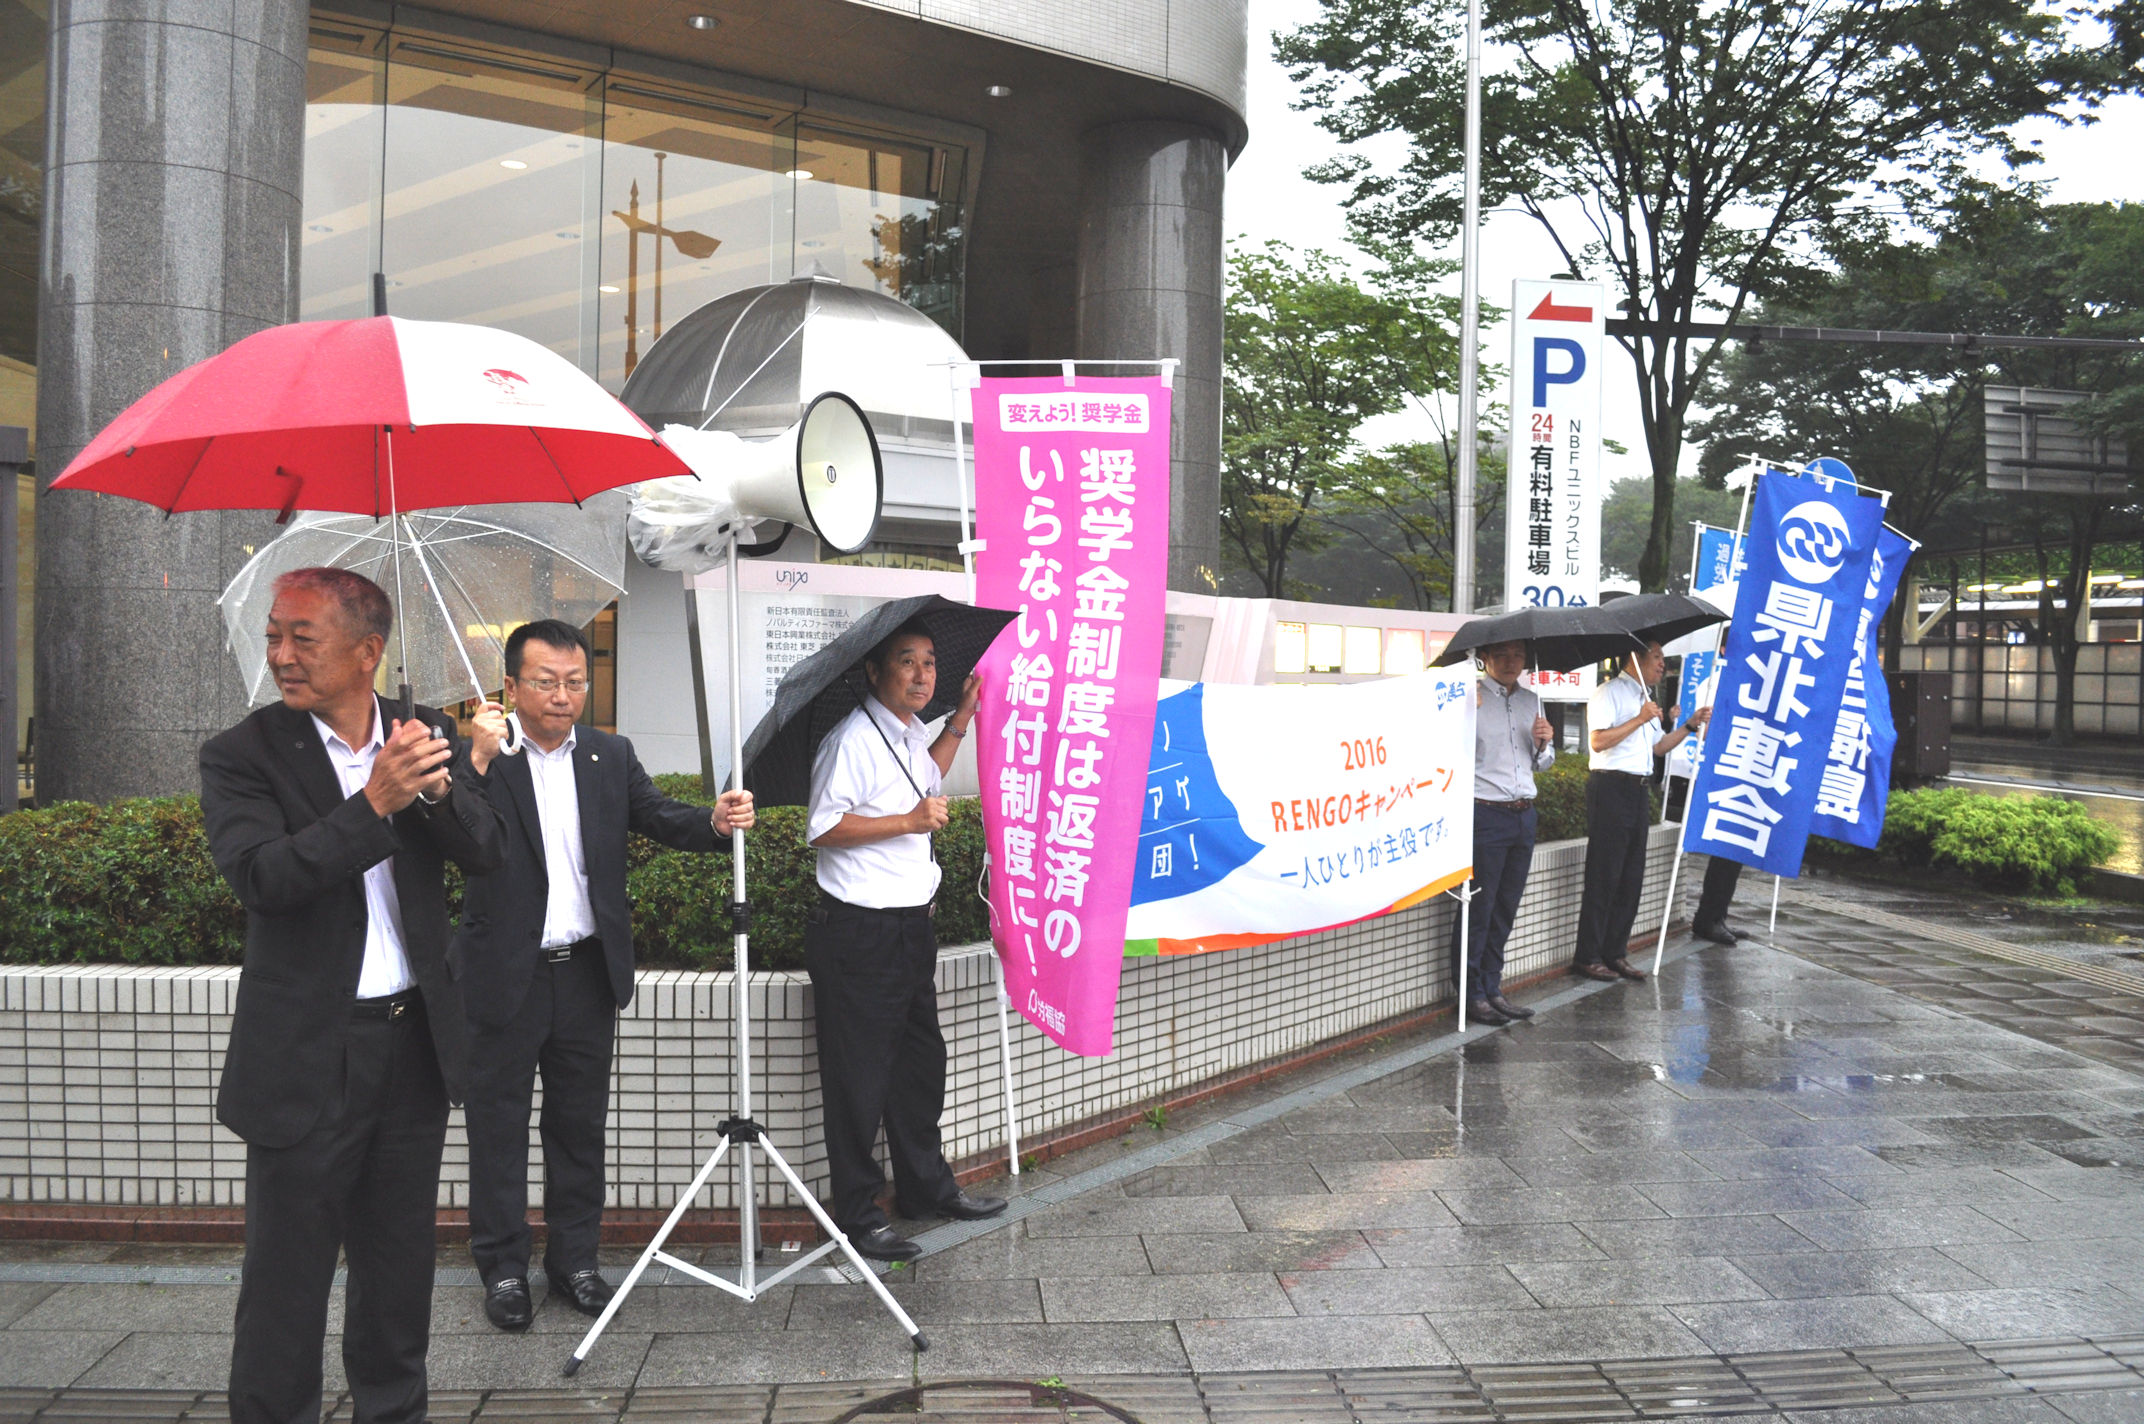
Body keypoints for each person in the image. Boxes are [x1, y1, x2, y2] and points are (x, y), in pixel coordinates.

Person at [200, 567, 506, 1424]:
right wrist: (375, 801)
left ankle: (393, 1410)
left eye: (304, 637)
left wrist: (437, 789)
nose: (281, 655)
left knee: (398, 1267)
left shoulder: (424, 732)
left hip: (411, 1046)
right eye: (274, 635)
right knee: (286, 1281)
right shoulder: (243, 755)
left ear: (369, 651)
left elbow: (488, 850)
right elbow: (263, 877)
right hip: (308, 1052)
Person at [454, 619, 756, 1332]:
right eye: (546, 682)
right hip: (504, 974)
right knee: (497, 1128)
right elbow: (452, 838)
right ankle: (502, 1270)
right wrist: (472, 760)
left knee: (578, 1126)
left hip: (586, 972)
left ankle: (575, 1262)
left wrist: (713, 823)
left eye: (575, 682)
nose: (563, 696)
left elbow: (654, 816)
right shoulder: (484, 758)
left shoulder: (608, 755)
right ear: (511, 687)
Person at [806, 620, 1006, 1262]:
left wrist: (961, 721)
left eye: (927, 663)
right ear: (874, 671)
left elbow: (924, 776)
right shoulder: (850, 740)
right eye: (906, 662)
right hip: (860, 931)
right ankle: (859, 1217)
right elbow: (823, 826)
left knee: (921, 1066)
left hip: (910, 925)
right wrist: (908, 822)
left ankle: (926, 1189)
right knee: (859, 1078)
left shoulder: (908, 731)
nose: (922, 675)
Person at [1571, 640, 1708, 982]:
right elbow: (1599, 741)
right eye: (1657, 656)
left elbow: (1658, 747)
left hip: (1638, 790)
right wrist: (1639, 718)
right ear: (1635, 657)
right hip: (1611, 786)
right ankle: (1588, 956)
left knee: (1631, 878)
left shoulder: (1646, 699)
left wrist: (1689, 726)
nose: (1663, 663)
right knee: (1605, 875)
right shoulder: (1610, 693)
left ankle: (1615, 952)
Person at [1457, 640, 1555, 1026]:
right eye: (1502, 655)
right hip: (1484, 814)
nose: (1511, 662)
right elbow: (1447, 752)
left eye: (1518, 655)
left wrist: (1544, 743)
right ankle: (1470, 993)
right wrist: (1462, 719)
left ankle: (1493, 987)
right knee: (1478, 908)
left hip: (1523, 814)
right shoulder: (1468, 698)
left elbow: (1543, 764)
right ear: (1485, 658)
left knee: (1506, 907)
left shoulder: (1533, 701)